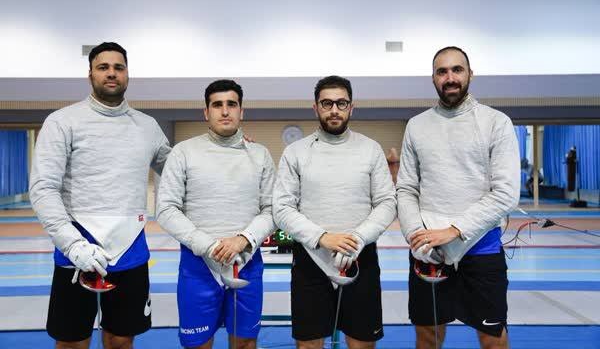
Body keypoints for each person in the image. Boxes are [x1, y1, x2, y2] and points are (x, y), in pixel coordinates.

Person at [29, 42, 171, 349]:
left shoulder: (147, 126)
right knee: (72, 342)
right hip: (76, 250)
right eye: (103, 67)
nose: (111, 73)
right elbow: (43, 188)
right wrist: (72, 244)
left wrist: (223, 152)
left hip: (130, 248)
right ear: (90, 74)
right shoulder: (62, 121)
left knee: (121, 340)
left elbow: (180, 169)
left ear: (127, 74)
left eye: (118, 67)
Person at [396, 46, 520, 349]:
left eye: (457, 70)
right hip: (428, 251)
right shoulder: (417, 125)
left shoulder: (496, 122)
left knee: (493, 339)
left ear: (470, 74)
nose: (450, 78)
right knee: (428, 337)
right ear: (433, 78)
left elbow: (506, 194)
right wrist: (415, 236)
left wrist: (454, 230)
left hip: (481, 249)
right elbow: (407, 189)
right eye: (442, 71)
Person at [273, 76, 397, 349]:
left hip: (361, 256)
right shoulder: (296, 152)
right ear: (315, 107)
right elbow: (281, 208)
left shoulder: (370, 149)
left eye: (341, 103)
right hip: (310, 260)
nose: (334, 110)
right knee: (308, 345)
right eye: (326, 103)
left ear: (351, 107)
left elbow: (387, 202)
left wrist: (358, 238)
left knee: (362, 344)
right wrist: (322, 237)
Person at [156, 79, 276, 349]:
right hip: (198, 266)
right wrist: (208, 245)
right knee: (198, 345)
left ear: (241, 111)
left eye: (231, 104)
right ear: (206, 112)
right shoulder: (184, 152)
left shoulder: (260, 154)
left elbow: (272, 210)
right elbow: (166, 209)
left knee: (245, 344)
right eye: (217, 105)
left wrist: (243, 239)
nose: (224, 111)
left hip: (246, 262)